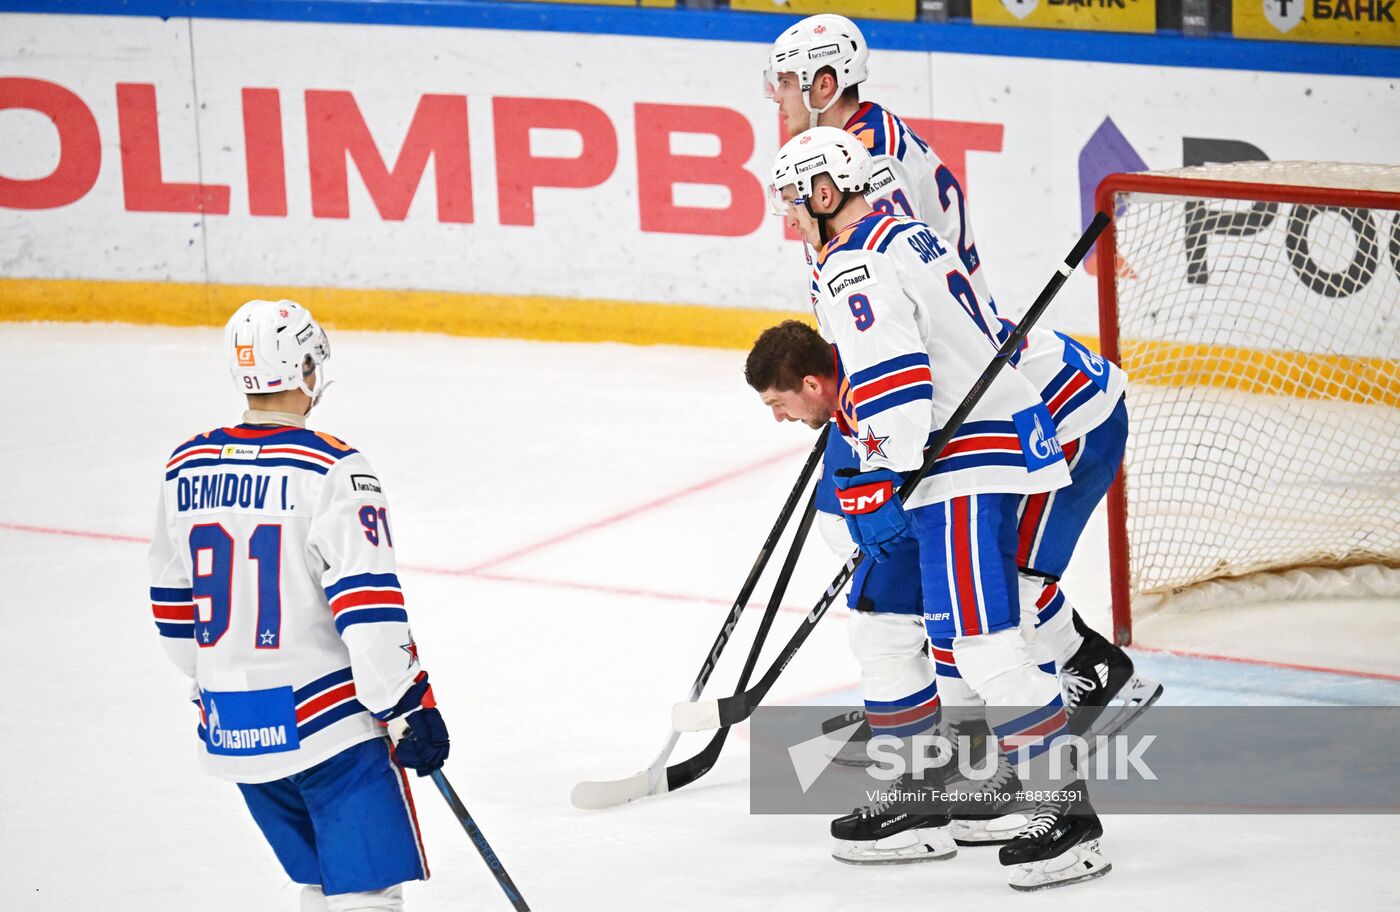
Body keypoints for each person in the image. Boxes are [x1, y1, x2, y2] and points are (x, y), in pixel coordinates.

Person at [764, 13, 1160, 751]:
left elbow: (896, 320)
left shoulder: (861, 169)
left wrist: (876, 436)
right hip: (966, 381)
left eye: (785, 80)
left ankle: (1019, 704)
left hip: (997, 401)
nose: (774, 95)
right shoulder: (859, 148)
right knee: (896, 551)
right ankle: (920, 703)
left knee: (988, 603)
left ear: (824, 84)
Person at [766, 127, 1110, 891]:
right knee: (885, 631)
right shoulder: (905, 236)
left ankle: (1067, 818)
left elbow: (901, 396)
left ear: (826, 193)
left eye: (794, 199)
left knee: (985, 648)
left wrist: (877, 469)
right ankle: (918, 799)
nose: (787, 216)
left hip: (962, 469)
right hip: (968, 459)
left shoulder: (855, 265)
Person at [148, 300, 451, 912]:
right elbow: (368, 606)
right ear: (307, 367)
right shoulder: (333, 468)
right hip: (328, 727)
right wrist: (405, 699)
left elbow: (172, 602)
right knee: (366, 891)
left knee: (314, 884)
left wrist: (219, 681)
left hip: (233, 725)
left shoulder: (185, 465)